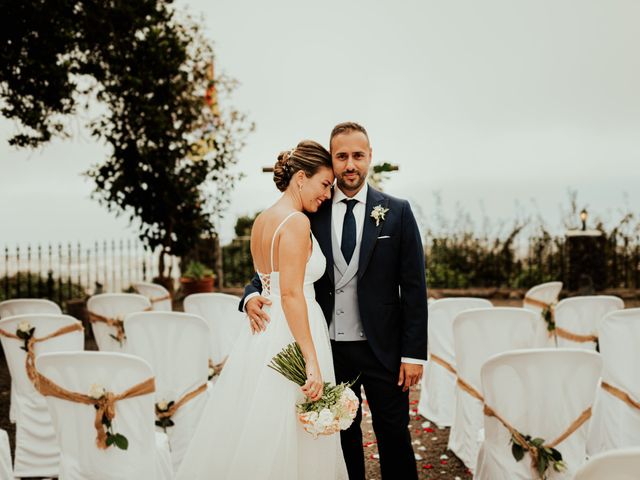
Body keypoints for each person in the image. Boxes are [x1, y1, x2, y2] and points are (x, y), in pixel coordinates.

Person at [243, 122, 429, 479]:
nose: (350, 165)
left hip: (384, 350)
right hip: (329, 348)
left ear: (370, 157)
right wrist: (251, 294)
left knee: (394, 433)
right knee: (340, 440)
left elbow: (415, 287)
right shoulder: (311, 212)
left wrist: (413, 353)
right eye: (341, 156)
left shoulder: (398, 211)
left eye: (357, 155)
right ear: (332, 159)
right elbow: (280, 268)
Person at [177, 140, 348, 479]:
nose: (328, 194)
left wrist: (251, 297)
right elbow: (290, 294)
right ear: (301, 178)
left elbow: (264, 279)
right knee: (292, 428)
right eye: (325, 184)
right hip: (295, 331)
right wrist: (311, 360)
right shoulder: (297, 223)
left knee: (256, 423)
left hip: (264, 331)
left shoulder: (262, 220)